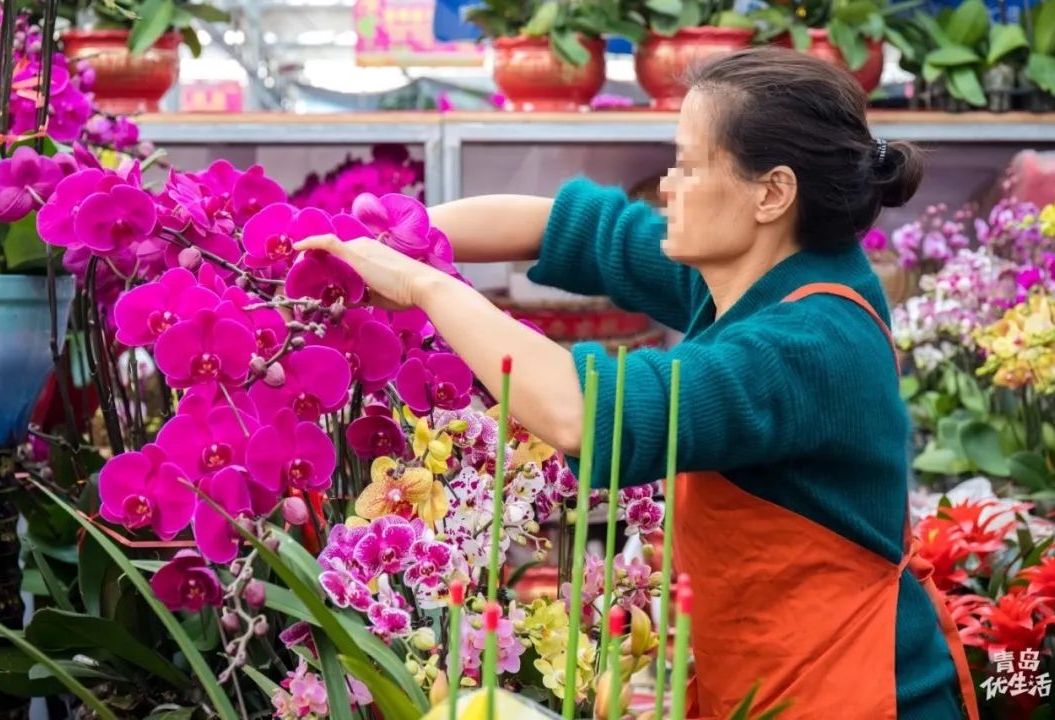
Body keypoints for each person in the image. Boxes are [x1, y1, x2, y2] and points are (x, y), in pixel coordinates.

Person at [295, 47, 978, 720]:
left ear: (771, 192)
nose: (668, 185)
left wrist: (421, 284)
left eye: (688, 164)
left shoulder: (810, 344)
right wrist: (389, 241)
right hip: (769, 678)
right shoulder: (759, 271)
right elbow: (570, 229)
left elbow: (581, 414)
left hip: (858, 692)